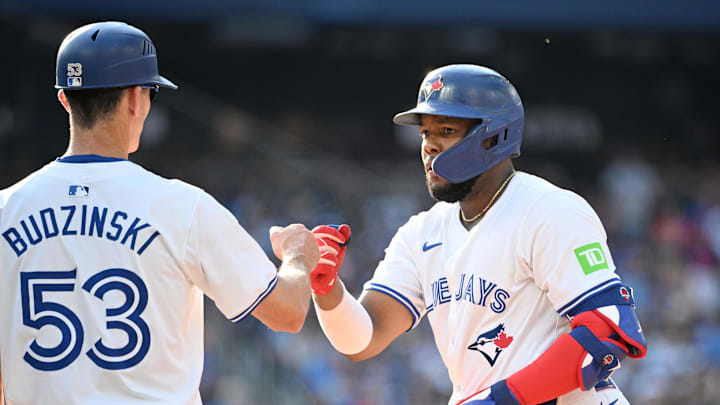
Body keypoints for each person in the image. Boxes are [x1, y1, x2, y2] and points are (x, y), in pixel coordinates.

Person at [0, 21, 319, 405]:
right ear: (136, 99)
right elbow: (288, 313)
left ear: (65, 99)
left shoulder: (6, 209)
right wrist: (298, 256)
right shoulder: (182, 207)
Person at [310, 64, 647, 405]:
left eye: (446, 129)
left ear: (494, 136)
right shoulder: (421, 233)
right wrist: (327, 290)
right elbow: (364, 339)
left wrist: (500, 400)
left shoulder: (548, 210)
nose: (429, 146)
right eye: (425, 133)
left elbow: (607, 327)